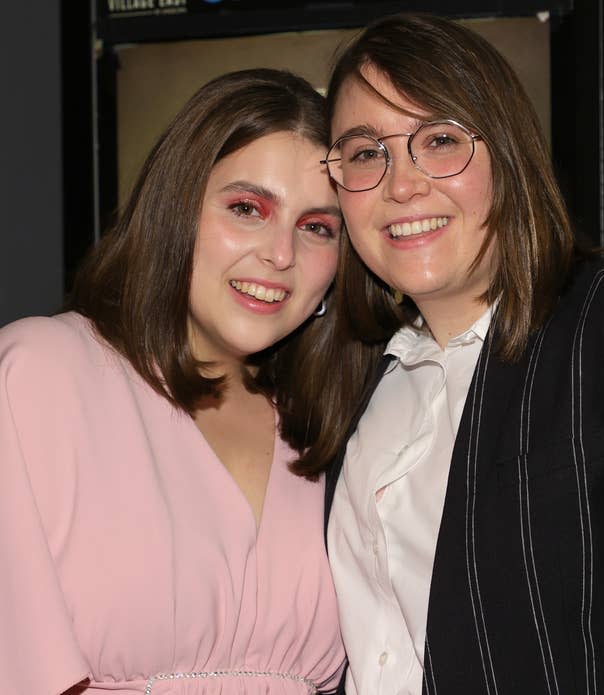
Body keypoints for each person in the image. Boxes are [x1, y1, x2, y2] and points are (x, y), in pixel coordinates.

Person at [322, 12, 604, 695]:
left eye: (438, 140)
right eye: (365, 152)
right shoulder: (347, 382)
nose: (401, 185)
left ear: (510, 154)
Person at [0, 68, 348, 695]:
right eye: (248, 209)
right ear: (175, 210)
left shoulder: (335, 427)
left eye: (317, 226)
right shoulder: (38, 375)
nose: (280, 254)